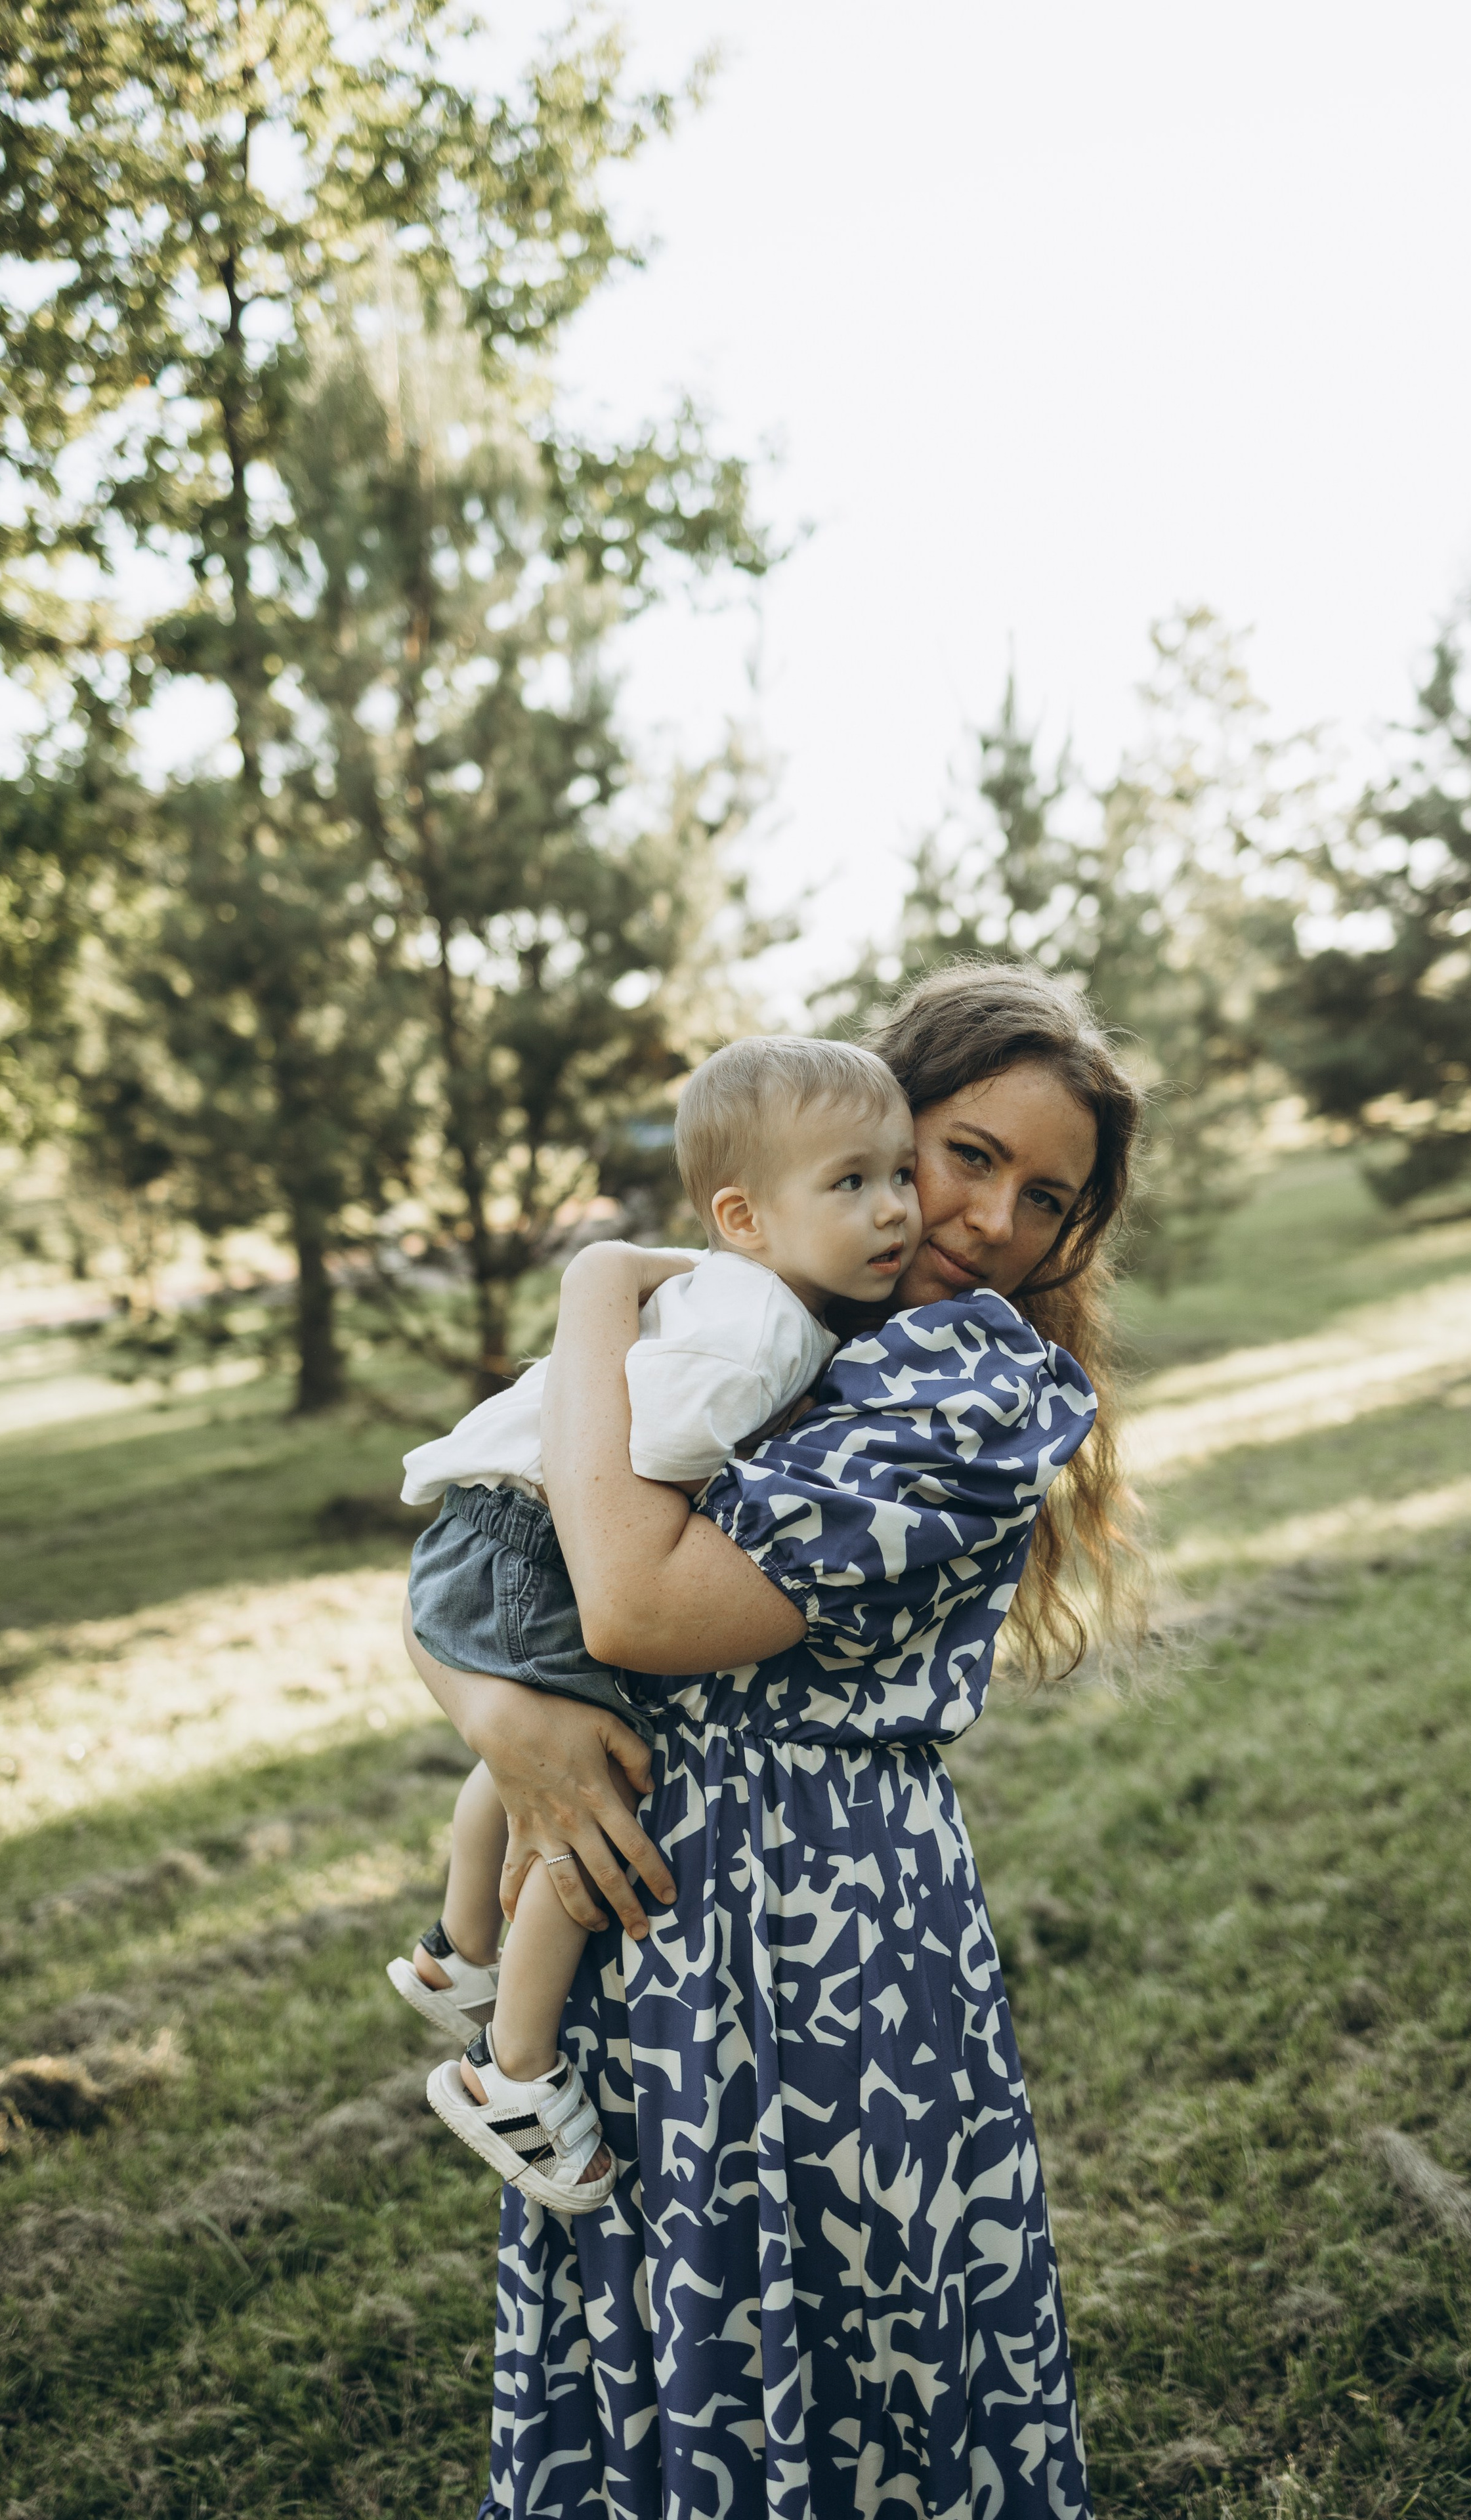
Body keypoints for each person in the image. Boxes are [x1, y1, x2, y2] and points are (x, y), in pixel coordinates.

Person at [406, 961, 1143, 2519]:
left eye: (1044, 1197)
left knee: (850, 2341)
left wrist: (601, 1277)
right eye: (965, 1157)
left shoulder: (972, 1380)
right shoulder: (766, 1322)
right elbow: (489, 1547)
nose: (992, 1224)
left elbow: (627, 1609)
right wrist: (504, 1723)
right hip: (634, 1891)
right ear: (872, 1133)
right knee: (655, 2333)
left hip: (823, 1936)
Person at [390, 1037, 922, 2212]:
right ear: (745, 1213)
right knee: (596, 1818)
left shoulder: (735, 1286)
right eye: (851, 1183)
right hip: (546, 1538)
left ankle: (455, 1946)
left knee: (534, 1749)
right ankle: (509, 2072)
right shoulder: (767, 1332)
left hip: (487, 1520)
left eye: (900, 1175)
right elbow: (648, 1462)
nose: (896, 1210)